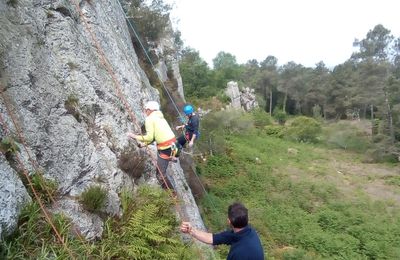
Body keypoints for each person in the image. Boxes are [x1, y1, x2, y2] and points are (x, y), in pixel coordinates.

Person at [180, 202, 264, 260]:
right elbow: (212, 238)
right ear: (247, 220)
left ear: (229, 221)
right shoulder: (246, 232)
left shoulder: (240, 253)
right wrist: (191, 231)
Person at [127, 101, 176, 189]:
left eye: (146, 110)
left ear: (149, 110)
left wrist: (134, 136)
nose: (145, 112)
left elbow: (149, 137)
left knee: (160, 175)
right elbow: (155, 137)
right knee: (162, 166)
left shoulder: (149, 119)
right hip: (173, 145)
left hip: (166, 148)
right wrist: (144, 144)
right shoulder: (160, 117)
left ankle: (172, 195)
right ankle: (172, 157)